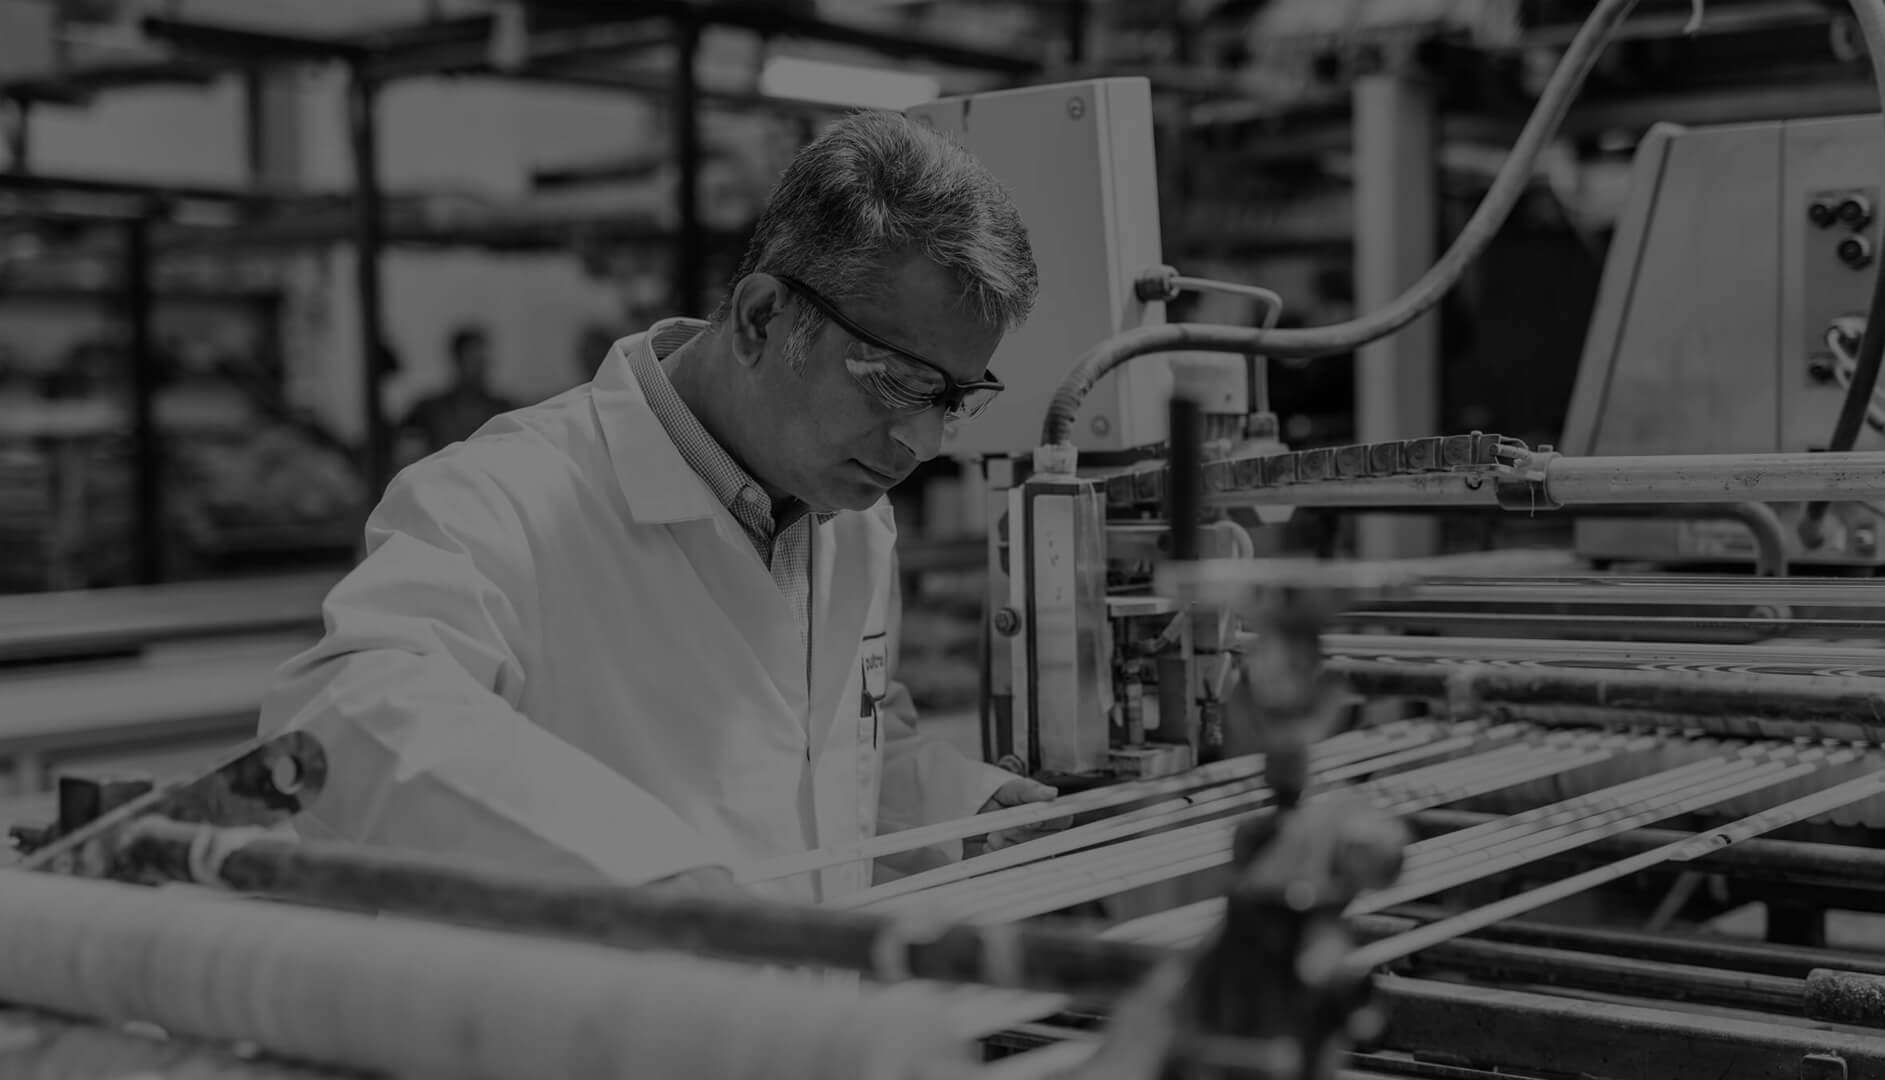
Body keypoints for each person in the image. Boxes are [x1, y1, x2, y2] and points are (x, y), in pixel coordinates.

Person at [257, 110, 1060, 902]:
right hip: (615, 1017)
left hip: (802, 1015)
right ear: (760, 319)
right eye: (895, 382)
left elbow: (824, 748)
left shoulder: (851, 516)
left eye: (951, 398)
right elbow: (342, 724)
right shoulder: (497, 501)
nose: (923, 442)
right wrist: (639, 871)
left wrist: (958, 806)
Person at [393, 326, 519, 460]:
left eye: (483, 361)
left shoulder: (503, 410)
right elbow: (407, 453)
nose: (480, 368)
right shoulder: (429, 410)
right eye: (473, 360)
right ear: (458, 360)